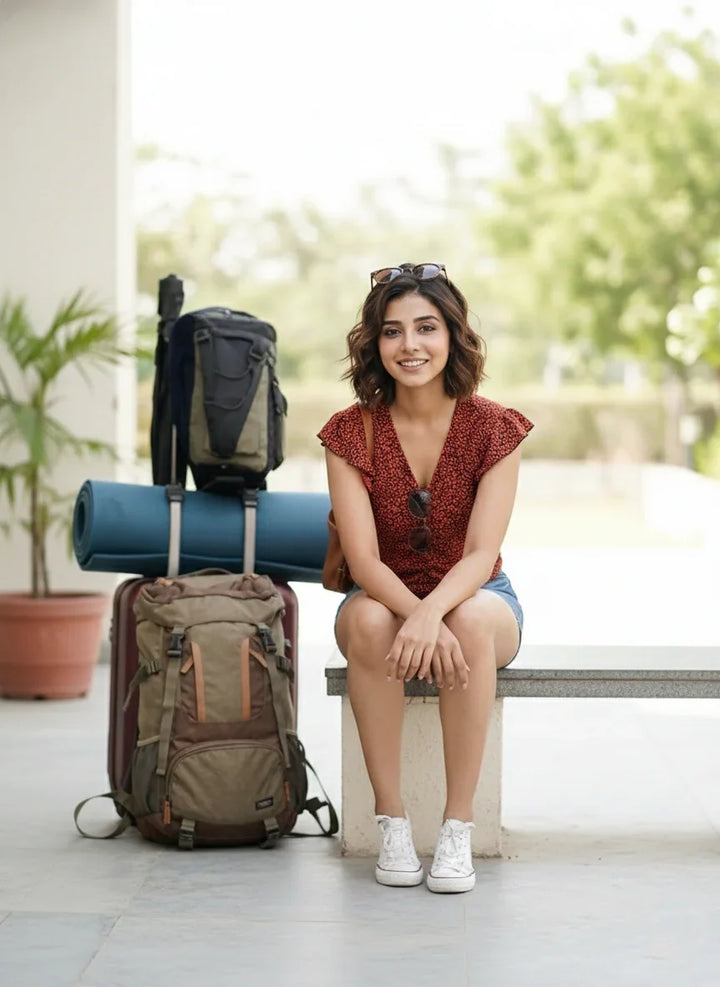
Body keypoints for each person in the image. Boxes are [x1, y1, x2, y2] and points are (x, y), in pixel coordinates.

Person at [317, 262, 533, 894]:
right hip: (382, 593)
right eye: (392, 331)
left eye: (425, 328)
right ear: (374, 344)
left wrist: (431, 613)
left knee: (465, 619)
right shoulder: (348, 432)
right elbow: (363, 564)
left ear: (453, 336)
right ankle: (392, 822)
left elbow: (479, 552)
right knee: (365, 616)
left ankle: (457, 830)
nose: (409, 345)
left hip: (478, 596)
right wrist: (415, 613)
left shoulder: (496, 427)